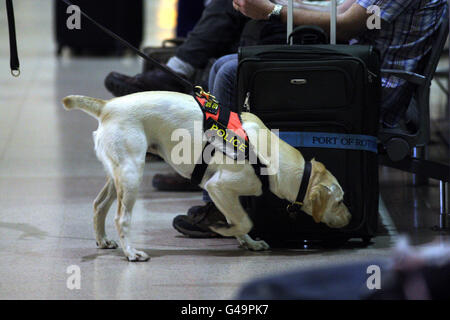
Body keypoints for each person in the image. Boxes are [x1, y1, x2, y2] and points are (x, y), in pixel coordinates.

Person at [172, 0, 448, 238]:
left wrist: (274, 11)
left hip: (368, 90)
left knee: (232, 72)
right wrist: (275, 6)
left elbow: (347, 24)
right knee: (226, 65)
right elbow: (341, 11)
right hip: (357, 76)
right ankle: (224, 190)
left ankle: (223, 207)